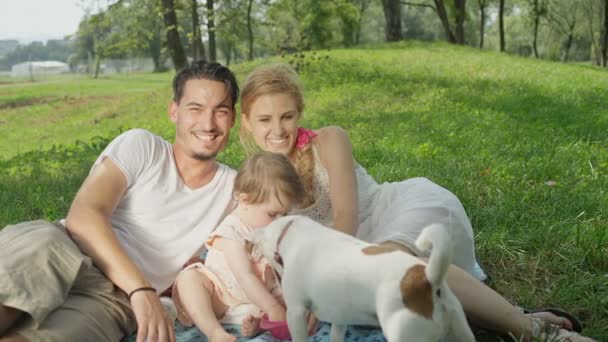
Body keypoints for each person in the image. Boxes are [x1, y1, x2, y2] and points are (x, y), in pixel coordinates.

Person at [238, 63, 596, 342]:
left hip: (389, 214)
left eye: (286, 116)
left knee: (402, 267)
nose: (278, 129)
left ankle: (540, 333)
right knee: (404, 297)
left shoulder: (328, 139)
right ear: (247, 123)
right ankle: (520, 317)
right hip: (349, 260)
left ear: (299, 112)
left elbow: (346, 215)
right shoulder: (256, 178)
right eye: (265, 119)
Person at [0, 60, 239, 342]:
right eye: (195, 109)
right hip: (63, 246)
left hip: (112, 300)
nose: (208, 124)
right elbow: (84, 214)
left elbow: (282, 226)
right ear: (174, 111)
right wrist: (142, 289)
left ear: (234, 118)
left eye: (220, 111)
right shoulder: (143, 146)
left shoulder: (237, 190)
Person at [172, 151, 305, 342]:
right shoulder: (232, 231)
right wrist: (272, 307)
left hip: (254, 298)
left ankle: (257, 324)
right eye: (272, 214)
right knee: (190, 279)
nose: (279, 221)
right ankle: (213, 331)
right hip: (219, 294)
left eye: (284, 215)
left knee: (290, 295)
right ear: (244, 200)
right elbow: (245, 275)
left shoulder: (271, 229)